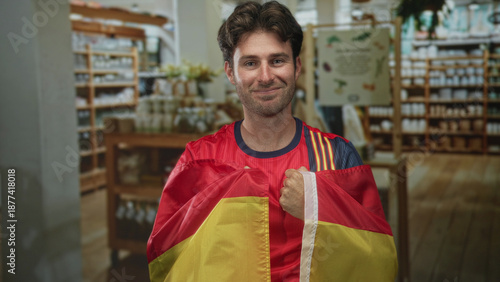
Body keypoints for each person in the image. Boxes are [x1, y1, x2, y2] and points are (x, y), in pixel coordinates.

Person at [147, 1, 397, 281]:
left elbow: (377, 260)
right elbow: (168, 261)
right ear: (231, 72)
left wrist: (317, 205)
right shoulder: (199, 160)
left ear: (297, 66)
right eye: (251, 63)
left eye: (277, 60)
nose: (265, 77)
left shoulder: (337, 156)